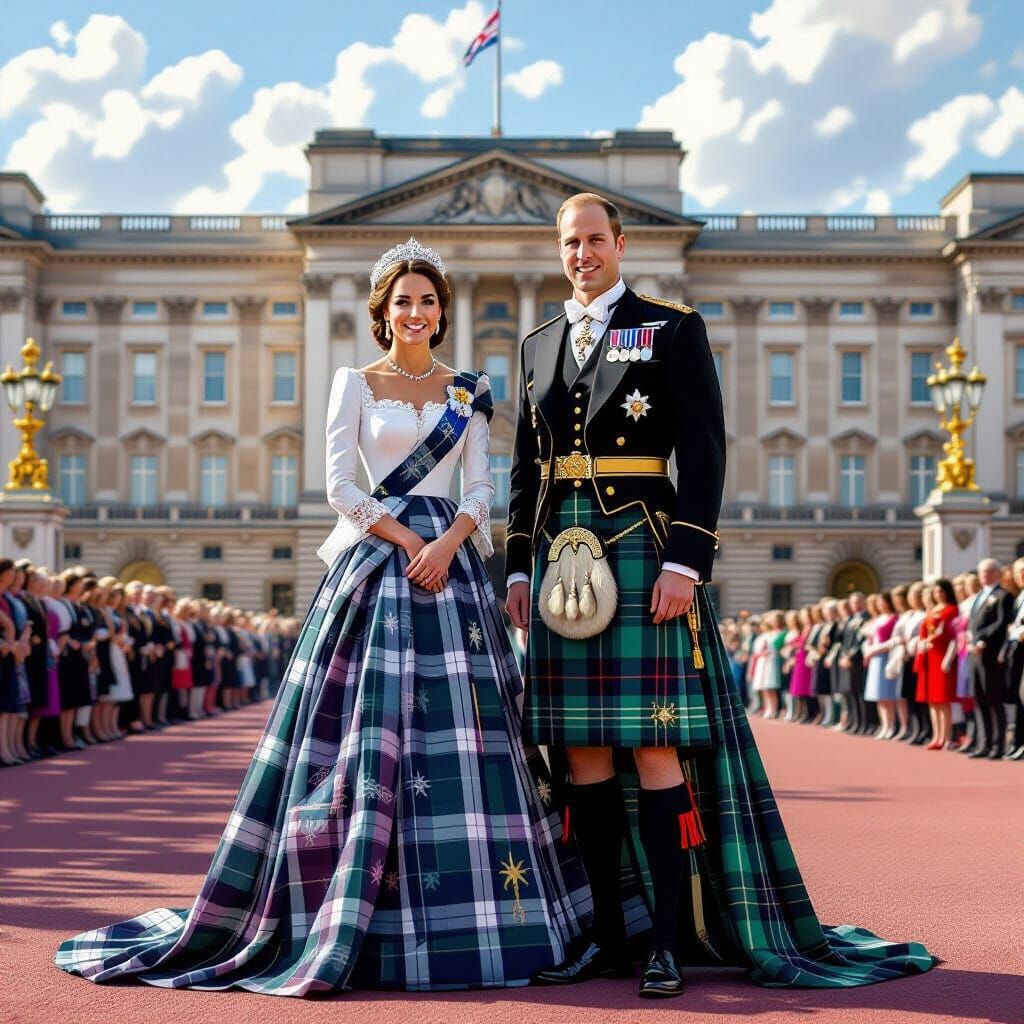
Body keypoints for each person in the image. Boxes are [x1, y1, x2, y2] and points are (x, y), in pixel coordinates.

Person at [57, 237, 588, 995]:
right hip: (384, 557)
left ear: (441, 310)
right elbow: (338, 483)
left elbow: (481, 488)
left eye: (428, 300)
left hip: (455, 563)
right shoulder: (354, 382)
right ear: (384, 313)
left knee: (472, 733)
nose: (417, 312)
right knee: (360, 733)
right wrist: (410, 540)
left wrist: (448, 545)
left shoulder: (469, 391)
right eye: (404, 301)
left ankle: (489, 910)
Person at [504, 191, 932, 998]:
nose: (583, 254)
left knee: (656, 749)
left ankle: (664, 940)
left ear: (621, 244)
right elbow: (526, 470)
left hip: (641, 551)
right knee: (582, 756)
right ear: (559, 250)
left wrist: (685, 561)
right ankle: (607, 937)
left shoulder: (671, 327)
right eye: (570, 243)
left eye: (596, 240)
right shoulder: (537, 344)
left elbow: (703, 448)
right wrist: (518, 568)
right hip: (561, 564)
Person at [966, 558, 1013, 759]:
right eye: (982, 572)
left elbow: (1001, 623)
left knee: (993, 700)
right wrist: (971, 639)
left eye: (988, 571)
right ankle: (984, 743)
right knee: (979, 700)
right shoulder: (979, 596)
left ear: (996, 573)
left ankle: (998, 744)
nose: (984, 575)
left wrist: (982, 639)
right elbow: (972, 624)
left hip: (991, 655)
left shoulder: (1003, 596)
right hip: (975, 655)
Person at [916, 579, 959, 750]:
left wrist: (948, 658)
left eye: (941, 591)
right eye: (935, 592)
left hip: (942, 655)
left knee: (943, 699)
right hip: (929, 655)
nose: (938, 594)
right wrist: (923, 643)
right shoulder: (932, 610)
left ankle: (947, 737)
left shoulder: (952, 610)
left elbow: (952, 634)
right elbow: (925, 632)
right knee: (932, 700)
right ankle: (937, 736)